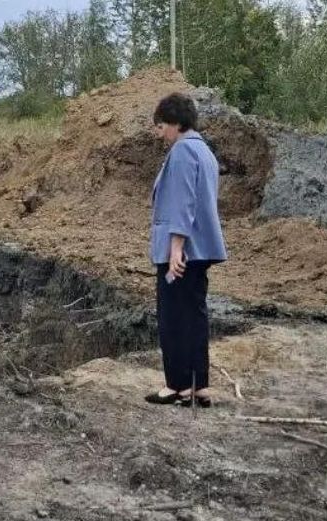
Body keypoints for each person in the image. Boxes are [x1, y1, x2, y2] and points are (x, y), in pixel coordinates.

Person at [145, 93, 227, 408]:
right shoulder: (205, 152)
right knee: (194, 315)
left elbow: (182, 203)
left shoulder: (181, 152)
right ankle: (197, 386)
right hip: (202, 249)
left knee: (173, 317)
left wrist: (175, 249)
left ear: (176, 123)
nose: (159, 133)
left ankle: (176, 385)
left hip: (182, 251)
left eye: (161, 126)